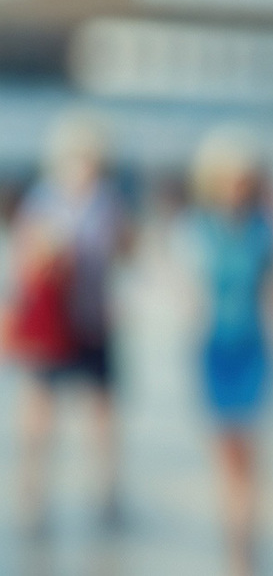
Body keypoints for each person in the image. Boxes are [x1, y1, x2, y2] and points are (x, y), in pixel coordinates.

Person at [7, 114, 130, 531]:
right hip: (55, 322)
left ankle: (107, 494)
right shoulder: (43, 199)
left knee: (102, 411)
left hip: (93, 318)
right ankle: (33, 494)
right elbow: (26, 261)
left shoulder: (108, 201)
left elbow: (123, 251)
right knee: (41, 411)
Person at [190, 129, 273, 575]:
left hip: (254, 345)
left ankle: (246, 537)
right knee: (224, 447)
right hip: (214, 346)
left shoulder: (266, 230)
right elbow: (188, 286)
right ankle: (233, 530)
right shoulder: (200, 227)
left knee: (248, 447)